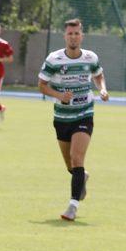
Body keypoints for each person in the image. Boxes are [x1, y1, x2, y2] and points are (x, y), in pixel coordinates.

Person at [38, 18, 109, 221]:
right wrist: (59, 95)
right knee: (71, 165)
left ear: (82, 35)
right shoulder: (54, 59)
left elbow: (98, 75)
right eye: (70, 33)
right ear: (65, 36)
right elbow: (41, 85)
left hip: (84, 114)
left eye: (77, 33)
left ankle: (72, 206)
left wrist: (102, 89)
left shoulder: (90, 57)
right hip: (62, 117)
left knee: (77, 157)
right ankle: (82, 176)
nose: (73, 36)